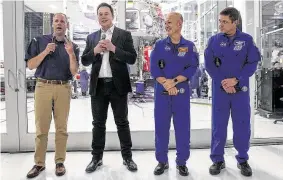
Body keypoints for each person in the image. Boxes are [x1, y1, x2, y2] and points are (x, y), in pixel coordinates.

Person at [81, 3, 138, 173]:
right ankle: (96, 158)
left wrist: (113, 48)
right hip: (98, 86)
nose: (103, 16)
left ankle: (127, 158)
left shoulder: (124, 35)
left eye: (106, 13)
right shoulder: (92, 38)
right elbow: (84, 60)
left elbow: (132, 58)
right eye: (100, 14)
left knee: (122, 122)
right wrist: (96, 50)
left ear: (112, 16)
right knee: (98, 124)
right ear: (97, 17)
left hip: (117, 85)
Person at [204, 7, 260, 177]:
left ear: (235, 22)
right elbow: (209, 64)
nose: (220, 25)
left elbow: (252, 63)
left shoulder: (247, 40)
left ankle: (242, 159)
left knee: (242, 125)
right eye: (220, 21)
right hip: (220, 90)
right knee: (218, 125)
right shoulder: (213, 40)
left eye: (225, 22)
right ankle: (217, 160)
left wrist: (236, 79)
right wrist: (223, 81)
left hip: (240, 90)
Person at [25, 13, 79, 178]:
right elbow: (31, 65)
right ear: (52, 24)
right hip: (43, 86)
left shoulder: (73, 46)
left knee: (61, 128)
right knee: (42, 128)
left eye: (63, 21)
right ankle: (39, 163)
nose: (59, 24)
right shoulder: (39, 41)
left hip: (63, 88)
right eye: (56, 21)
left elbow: (74, 71)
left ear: (67, 25)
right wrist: (45, 52)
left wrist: (71, 54)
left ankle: (59, 162)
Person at [150, 12, 199, 176]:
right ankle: (162, 161)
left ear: (180, 24)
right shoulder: (159, 45)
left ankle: (182, 162)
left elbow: (192, 67)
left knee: (182, 128)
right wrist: (166, 83)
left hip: (181, 93)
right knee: (161, 128)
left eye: (169, 22)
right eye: (165, 22)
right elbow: (154, 68)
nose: (166, 25)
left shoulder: (190, 46)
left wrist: (175, 82)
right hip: (162, 93)